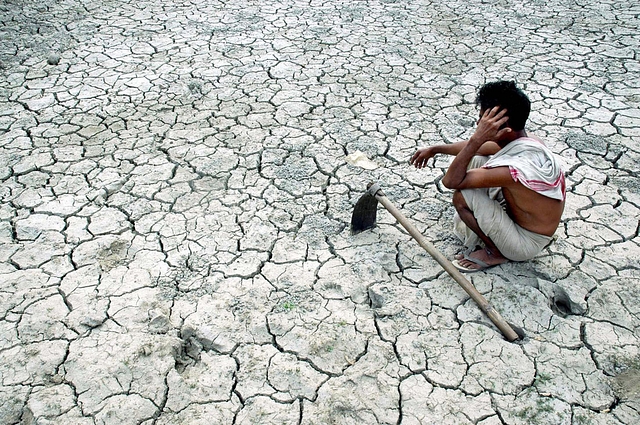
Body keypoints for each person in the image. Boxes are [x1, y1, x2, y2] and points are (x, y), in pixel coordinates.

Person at [410, 81, 565, 272]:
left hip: (524, 243)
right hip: (522, 220)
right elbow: (480, 149)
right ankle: (494, 236)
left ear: (504, 127)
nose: (478, 124)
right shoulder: (525, 140)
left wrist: (477, 138)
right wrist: (435, 149)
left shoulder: (513, 170)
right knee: (478, 159)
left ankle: (495, 252)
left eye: (484, 121)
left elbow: (450, 181)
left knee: (462, 197)